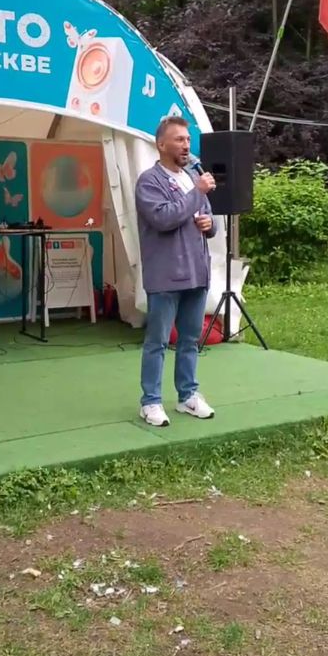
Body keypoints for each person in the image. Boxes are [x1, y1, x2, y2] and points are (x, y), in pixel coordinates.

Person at [135, 115, 217, 427]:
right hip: (166, 274)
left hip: (197, 272)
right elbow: (164, 218)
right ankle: (151, 402)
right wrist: (197, 192)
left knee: (190, 340)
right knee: (157, 341)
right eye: (179, 139)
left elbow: (208, 219)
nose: (186, 145)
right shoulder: (149, 181)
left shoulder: (192, 177)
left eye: (188, 139)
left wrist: (210, 225)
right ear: (161, 144)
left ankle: (188, 395)